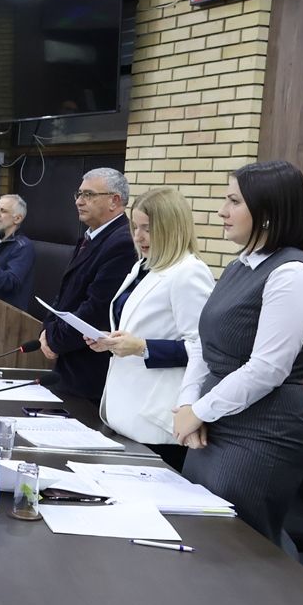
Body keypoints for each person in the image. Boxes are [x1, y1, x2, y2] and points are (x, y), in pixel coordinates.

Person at [174, 161, 303, 546]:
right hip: (214, 422)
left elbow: (267, 369)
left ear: (268, 212)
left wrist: (200, 411)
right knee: (195, 538)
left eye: (234, 201)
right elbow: (204, 346)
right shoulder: (239, 266)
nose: (222, 211)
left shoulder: (292, 274)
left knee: (232, 550)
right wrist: (188, 405)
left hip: (262, 434)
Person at [82, 187, 213, 471]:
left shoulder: (189, 272)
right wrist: (110, 340)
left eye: (148, 229)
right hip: (124, 410)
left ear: (172, 228)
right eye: (135, 227)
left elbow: (203, 348)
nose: (138, 237)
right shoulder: (145, 267)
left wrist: (142, 347)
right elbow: (140, 327)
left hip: (156, 420)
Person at [39, 167, 138, 404]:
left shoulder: (123, 242)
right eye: (79, 194)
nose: (79, 201)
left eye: (89, 195)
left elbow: (97, 308)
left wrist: (54, 339)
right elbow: (64, 295)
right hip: (69, 365)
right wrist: (46, 331)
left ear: (114, 200)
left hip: (90, 370)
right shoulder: (91, 236)